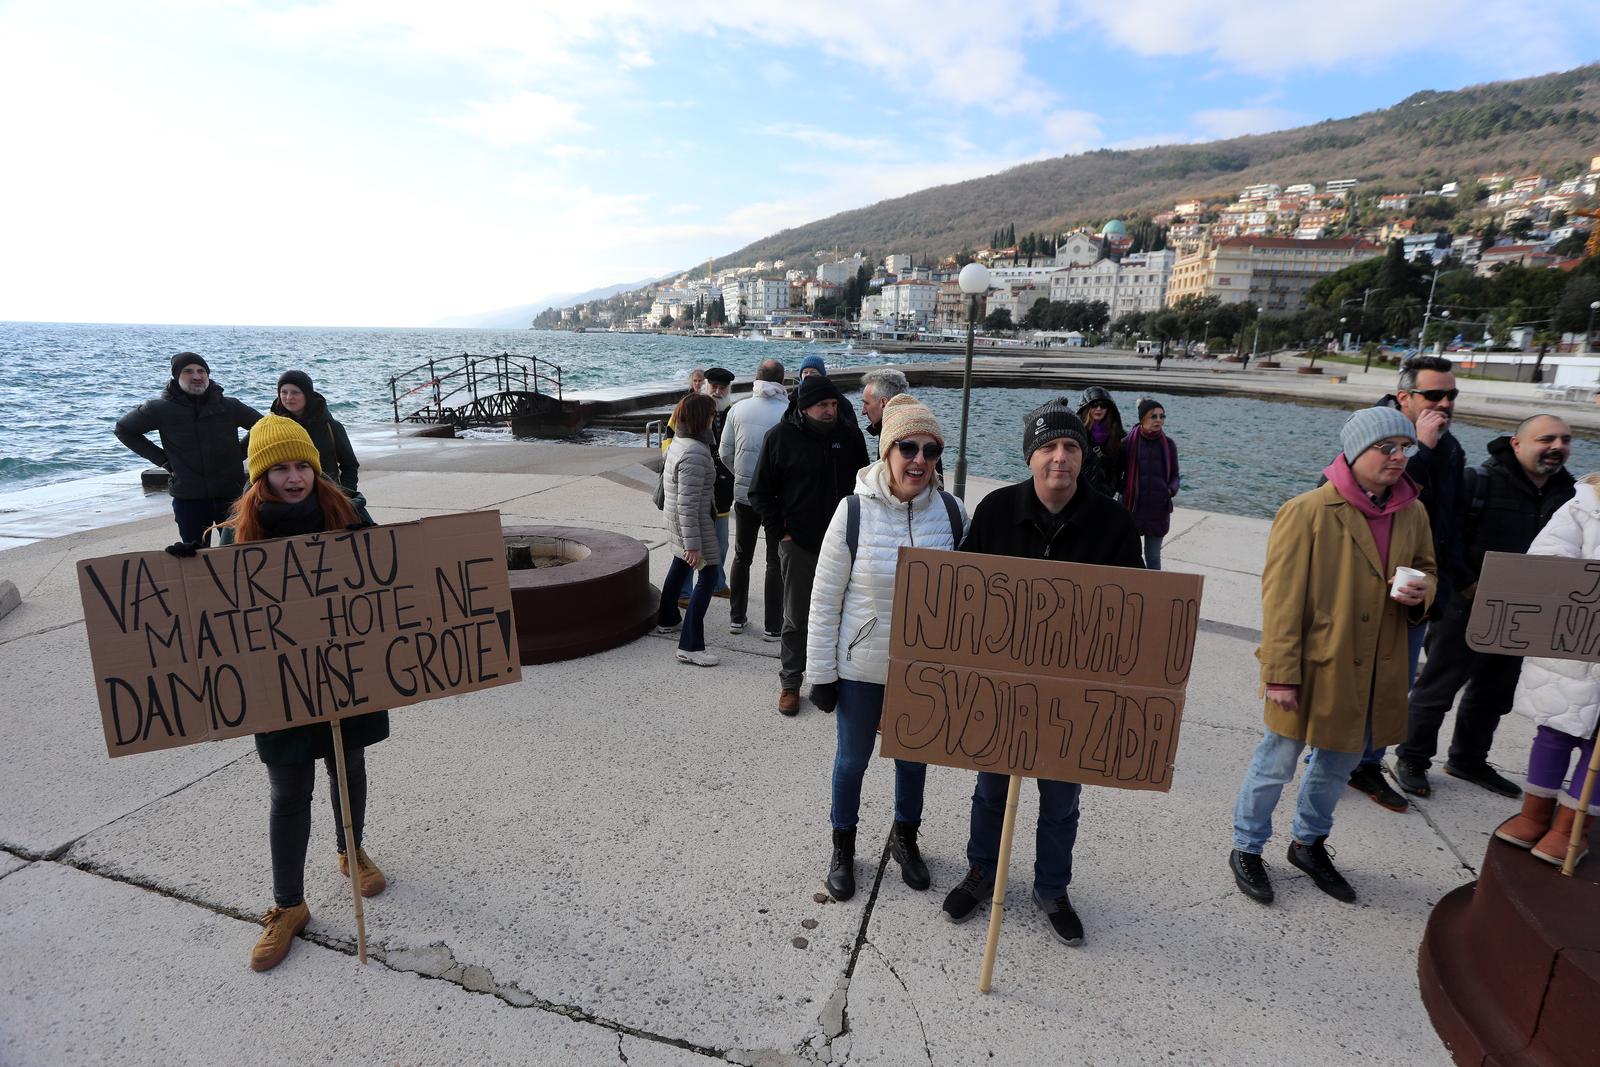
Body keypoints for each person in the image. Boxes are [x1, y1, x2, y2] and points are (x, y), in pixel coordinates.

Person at [188, 414, 388, 972]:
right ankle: (288, 905)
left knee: (348, 766)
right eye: (280, 469)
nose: (295, 477)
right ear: (260, 476)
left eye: (302, 465)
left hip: (348, 671)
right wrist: (187, 572)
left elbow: (392, 578)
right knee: (288, 787)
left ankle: (351, 852)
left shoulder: (348, 512)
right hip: (278, 684)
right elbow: (213, 611)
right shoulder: (232, 534)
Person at [941, 400, 1144, 947]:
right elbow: (964, 593)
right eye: (1049, 447)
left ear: (1084, 457)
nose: (1060, 458)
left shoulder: (1115, 523)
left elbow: (1138, 611)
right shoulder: (995, 511)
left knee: (1061, 801)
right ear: (1030, 456)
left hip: (1074, 692)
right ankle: (983, 870)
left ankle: (1052, 887)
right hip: (1002, 685)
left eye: (1071, 447)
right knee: (989, 790)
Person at [1229, 408, 1435, 907]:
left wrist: (1421, 592)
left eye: (1404, 448)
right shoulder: (1307, 511)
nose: (1398, 457)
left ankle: (1309, 844)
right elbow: (1280, 600)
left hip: (1372, 670)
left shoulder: (1413, 511)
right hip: (1313, 665)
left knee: (1336, 768)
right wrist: (1280, 673)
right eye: (1387, 448)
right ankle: (1247, 847)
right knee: (1276, 762)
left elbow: (1429, 569)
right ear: (1355, 451)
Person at [806, 395, 965, 901]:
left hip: (922, 670)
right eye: (907, 447)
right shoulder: (852, 512)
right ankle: (843, 847)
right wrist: (821, 674)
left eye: (931, 450)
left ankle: (905, 838)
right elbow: (825, 599)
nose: (919, 459)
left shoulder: (955, 514)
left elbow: (968, 602)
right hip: (862, 665)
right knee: (852, 760)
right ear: (886, 450)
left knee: (913, 762)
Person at [1396, 415, 1575, 799]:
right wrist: (1465, 583)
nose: (1557, 446)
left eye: (1564, 440)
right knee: (1437, 688)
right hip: (1468, 601)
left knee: (1495, 692)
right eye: (1546, 439)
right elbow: (1447, 535)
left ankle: (1469, 759)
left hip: (1528, 609)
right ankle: (1412, 756)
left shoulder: (1571, 493)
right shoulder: (1479, 481)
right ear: (1516, 443)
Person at [1363, 356, 1470, 804]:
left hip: (1420, 584)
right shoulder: (1372, 432)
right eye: (1433, 395)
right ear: (1404, 397)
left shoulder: (1451, 446)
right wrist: (1419, 451)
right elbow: (1375, 501)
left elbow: (1452, 517)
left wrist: (1458, 579)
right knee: (1359, 680)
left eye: (1451, 396)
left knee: (1396, 683)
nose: (1444, 404)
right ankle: (1330, 757)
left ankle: (1367, 765)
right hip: (1370, 584)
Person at [749, 373, 870, 716]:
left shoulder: (849, 437)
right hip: (798, 543)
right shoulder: (780, 438)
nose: (831, 411)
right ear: (804, 407)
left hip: (844, 545)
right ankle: (790, 682)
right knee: (797, 618)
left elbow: (864, 487)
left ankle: (827, 681)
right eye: (823, 405)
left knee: (842, 616)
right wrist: (781, 532)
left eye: (833, 404)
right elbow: (759, 493)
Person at [1496, 473, 1600, 865]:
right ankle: (1534, 813)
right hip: (1573, 646)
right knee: (1555, 730)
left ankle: (1573, 827)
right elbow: (1547, 555)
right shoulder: (1585, 501)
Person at [114, 352, 262, 543]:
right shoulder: (160, 409)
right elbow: (124, 429)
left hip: (231, 495)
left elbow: (263, 426)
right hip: (189, 498)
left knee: (239, 551)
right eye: (188, 371)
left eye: (201, 371)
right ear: (176, 377)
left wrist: (240, 453)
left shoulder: (229, 406)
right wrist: (163, 460)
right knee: (195, 557)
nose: (196, 376)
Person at [720, 359, 788, 639]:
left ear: (757, 378)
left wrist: (742, 477)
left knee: (741, 556)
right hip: (777, 500)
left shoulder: (737, 409)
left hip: (745, 495)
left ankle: (737, 617)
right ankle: (773, 626)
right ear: (782, 381)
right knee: (775, 561)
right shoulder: (788, 412)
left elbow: (725, 453)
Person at [655, 393, 724, 667]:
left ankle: (667, 618)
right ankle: (690, 645)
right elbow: (688, 504)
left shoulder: (680, 442)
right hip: (694, 527)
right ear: (701, 419)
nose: (714, 419)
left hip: (679, 523)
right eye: (711, 415)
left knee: (680, 565)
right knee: (708, 574)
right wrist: (693, 545)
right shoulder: (695, 452)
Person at [663, 368, 735, 599]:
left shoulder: (733, 412)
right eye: (714, 386)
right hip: (693, 481)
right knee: (689, 544)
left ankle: (717, 583)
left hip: (722, 489)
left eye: (722, 388)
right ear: (705, 386)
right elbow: (668, 437)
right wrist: (673, 463)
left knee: (719, 543)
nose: (718, 391)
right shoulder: (688, 407)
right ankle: (684, 592)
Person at [270, 370, 359, 493]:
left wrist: (345, 495)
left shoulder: (331, 427)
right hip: (285, 497)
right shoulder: (270, 427)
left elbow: (350, 465)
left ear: (307, 394)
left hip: (327, 497)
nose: (289, 397)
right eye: (283, 392)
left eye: (295, 392)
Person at [1120, 398, 1179, 569]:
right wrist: (1124, 490)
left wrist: (1169, 491)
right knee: (1130, 557)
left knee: (1153, 558)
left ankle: (1154, 594)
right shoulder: (1127, 443)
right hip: (1132, 510)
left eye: (1162, 416)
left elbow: (1175, 476)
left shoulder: (1169, 444)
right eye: (1154, 416)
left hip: (1158, 511)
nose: (1159, 420)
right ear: (1142, 419)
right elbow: (1116, 473)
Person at [1075, 386, 1126, 497]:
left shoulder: (1119, 436)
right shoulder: (1075, 433)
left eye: (1103, 406)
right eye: (1094, 405)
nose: (1099, 409)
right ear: (1086, 407)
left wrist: (1114, 487)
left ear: (1109, 409)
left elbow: (1121, 468)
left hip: (1106, 495)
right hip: (1079, 494)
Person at [860, 368, 909, 437]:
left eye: (867, 403)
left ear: (884, 403)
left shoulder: (894, 438)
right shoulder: (909, 427)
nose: (863, 412)